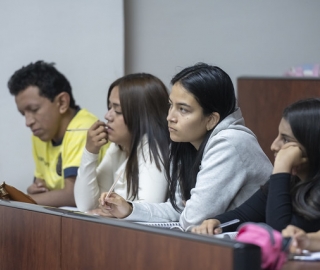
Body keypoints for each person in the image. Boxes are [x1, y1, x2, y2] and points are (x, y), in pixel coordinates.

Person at [97, 63, 272, 230]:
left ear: (212, 119)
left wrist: (192, 209)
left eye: (183, 110)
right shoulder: (187, 142)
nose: (170, 117)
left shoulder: (230, 142)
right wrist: (129, 209)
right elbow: (178, 210)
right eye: (170, 105)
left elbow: (193, 220)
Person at [192, 98, 320, 235]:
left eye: (286, 140)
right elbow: (245, 215)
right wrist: (216, 222)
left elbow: (281, 232)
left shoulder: (285, 177)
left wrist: (281, 168)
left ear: (311, 144)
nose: (274, 146)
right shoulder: (292, 181)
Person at [8, 60, 108, 207]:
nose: (28, 122)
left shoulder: (84, 129)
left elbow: (73, 195)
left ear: (62, 102)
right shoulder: (40, 135)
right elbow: (41, 186)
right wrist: (34, 190)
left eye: (34, 110)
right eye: (24, 113)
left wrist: (18, 198)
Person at [74, 73, 170, 212]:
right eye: (109, 107)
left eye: (118, 110)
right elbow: (86, 205)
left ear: (142, 115)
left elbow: (147, 210)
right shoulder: (118, 148)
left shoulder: (153, 149)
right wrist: (90, 151)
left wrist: (108, 211)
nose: (107, 116)